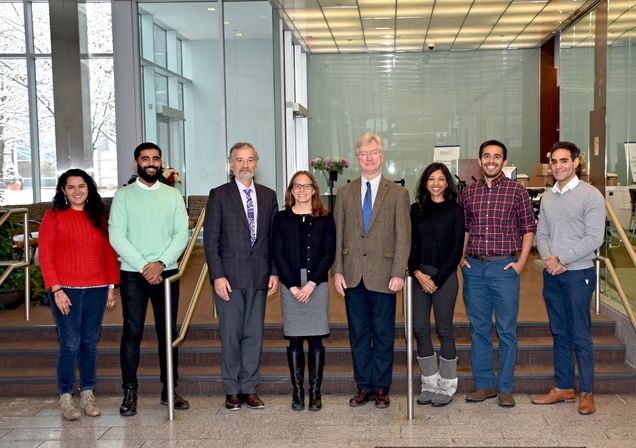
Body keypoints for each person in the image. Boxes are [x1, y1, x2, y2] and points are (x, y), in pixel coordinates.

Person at [109, 142, 190, 416]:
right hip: (134, 273)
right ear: (136, 163)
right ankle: (130, 392)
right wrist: (145, 265)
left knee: (168, 332)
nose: (151, 163)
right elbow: (117, 236)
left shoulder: (172, 196)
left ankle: (170, 389)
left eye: (156, 158)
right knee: (132, 331)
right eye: (145, 159)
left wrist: (161, 263)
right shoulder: (123, 196)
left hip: (167, 272)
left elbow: (182, 234)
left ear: (161, 162)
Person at [332, 132, 411, 409]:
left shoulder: (398, 193)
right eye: (363, 154)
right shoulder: (344, 193)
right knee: (359, 334)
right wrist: (337, 270)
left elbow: (404, 236)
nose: (368, 158)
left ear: (381, 156)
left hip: (385, 274)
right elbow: (337, 234)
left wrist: (399, 271)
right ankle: (363, 386)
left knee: (383, 334)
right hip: (352, 274)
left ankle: (381, 387)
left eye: (373, 153)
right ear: (357, 158)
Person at [203, 142, 279, 411]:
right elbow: (210, 239)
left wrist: (274, 271)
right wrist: (217, 275)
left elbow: (273, 239)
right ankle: (231, 390)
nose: (245, 165)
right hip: (230, 278)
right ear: (231, 164)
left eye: (250, 159)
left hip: (259, 275)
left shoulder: (269, 196)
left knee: (254, 334)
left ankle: (249, 388)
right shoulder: (219, 195)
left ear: (256, 163)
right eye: (239, 160)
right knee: (231, 334)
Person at [461, 139, 536, 408]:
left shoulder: (517, 191)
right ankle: (484, 386)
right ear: (480, 160)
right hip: (475, 269)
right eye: (486, 156)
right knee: (478, 329)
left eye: (497, 156)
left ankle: (505, 388)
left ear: (504, 161)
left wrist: (520, 264)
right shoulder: (468, 193)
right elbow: (465, 228)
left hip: (505, 268)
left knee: (506, 330)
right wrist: (462, 258)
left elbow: (528, 229)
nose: (491, 160)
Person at [38, 168, 119, 421]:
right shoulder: (53, 217)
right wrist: (56, 288)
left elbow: (108, 252)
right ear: (63, 190)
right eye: (71, 187)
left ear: (89, 188)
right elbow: (46, 255)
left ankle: (87, 394)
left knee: (89, 343)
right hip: (66, 291)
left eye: (81, 186)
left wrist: (111, 286)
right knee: (70, 343)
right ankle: (65, 397)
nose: (77, 191)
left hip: (96, 289)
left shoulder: (100, 216)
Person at [531, 141, 605, 415]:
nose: (558, 166)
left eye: (564, 161)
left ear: (576, 163)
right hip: (553, 275)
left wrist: (563, 259)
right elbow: (542, 234)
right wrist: (551, 260)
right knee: (559, 332)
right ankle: (562, 387)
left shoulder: (591, 195)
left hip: (579, 275)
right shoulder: (548, 196)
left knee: (580, 334)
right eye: (554, 161)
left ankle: (586, 392)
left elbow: (594, 238)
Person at [272, 171, 336, 411]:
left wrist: (310, 284)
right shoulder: (281, 218)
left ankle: (315, 392)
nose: (301, 190)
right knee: (296, 339)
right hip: (290, 284)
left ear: (314, 190)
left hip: (317, 284)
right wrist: (292, 286)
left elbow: (329, 254)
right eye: (297, 186)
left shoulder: (325, 218)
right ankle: (298, 392)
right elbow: (277, 253)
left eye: (306, 186)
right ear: (290, 191)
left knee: (317, 338)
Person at [408, 163, 464, 407]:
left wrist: (437, 279)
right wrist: (418, 274)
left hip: (445, 278)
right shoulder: (415, 210)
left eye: (441, 179)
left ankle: (448, 384)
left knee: (444, 329)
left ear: (447, 183)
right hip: (419, 276)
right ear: (425, 183)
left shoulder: (455, 210)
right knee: (420, 328)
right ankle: (429, 383)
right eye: (431, 179)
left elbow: (456, 251)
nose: (436, 183)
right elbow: (408, 246)